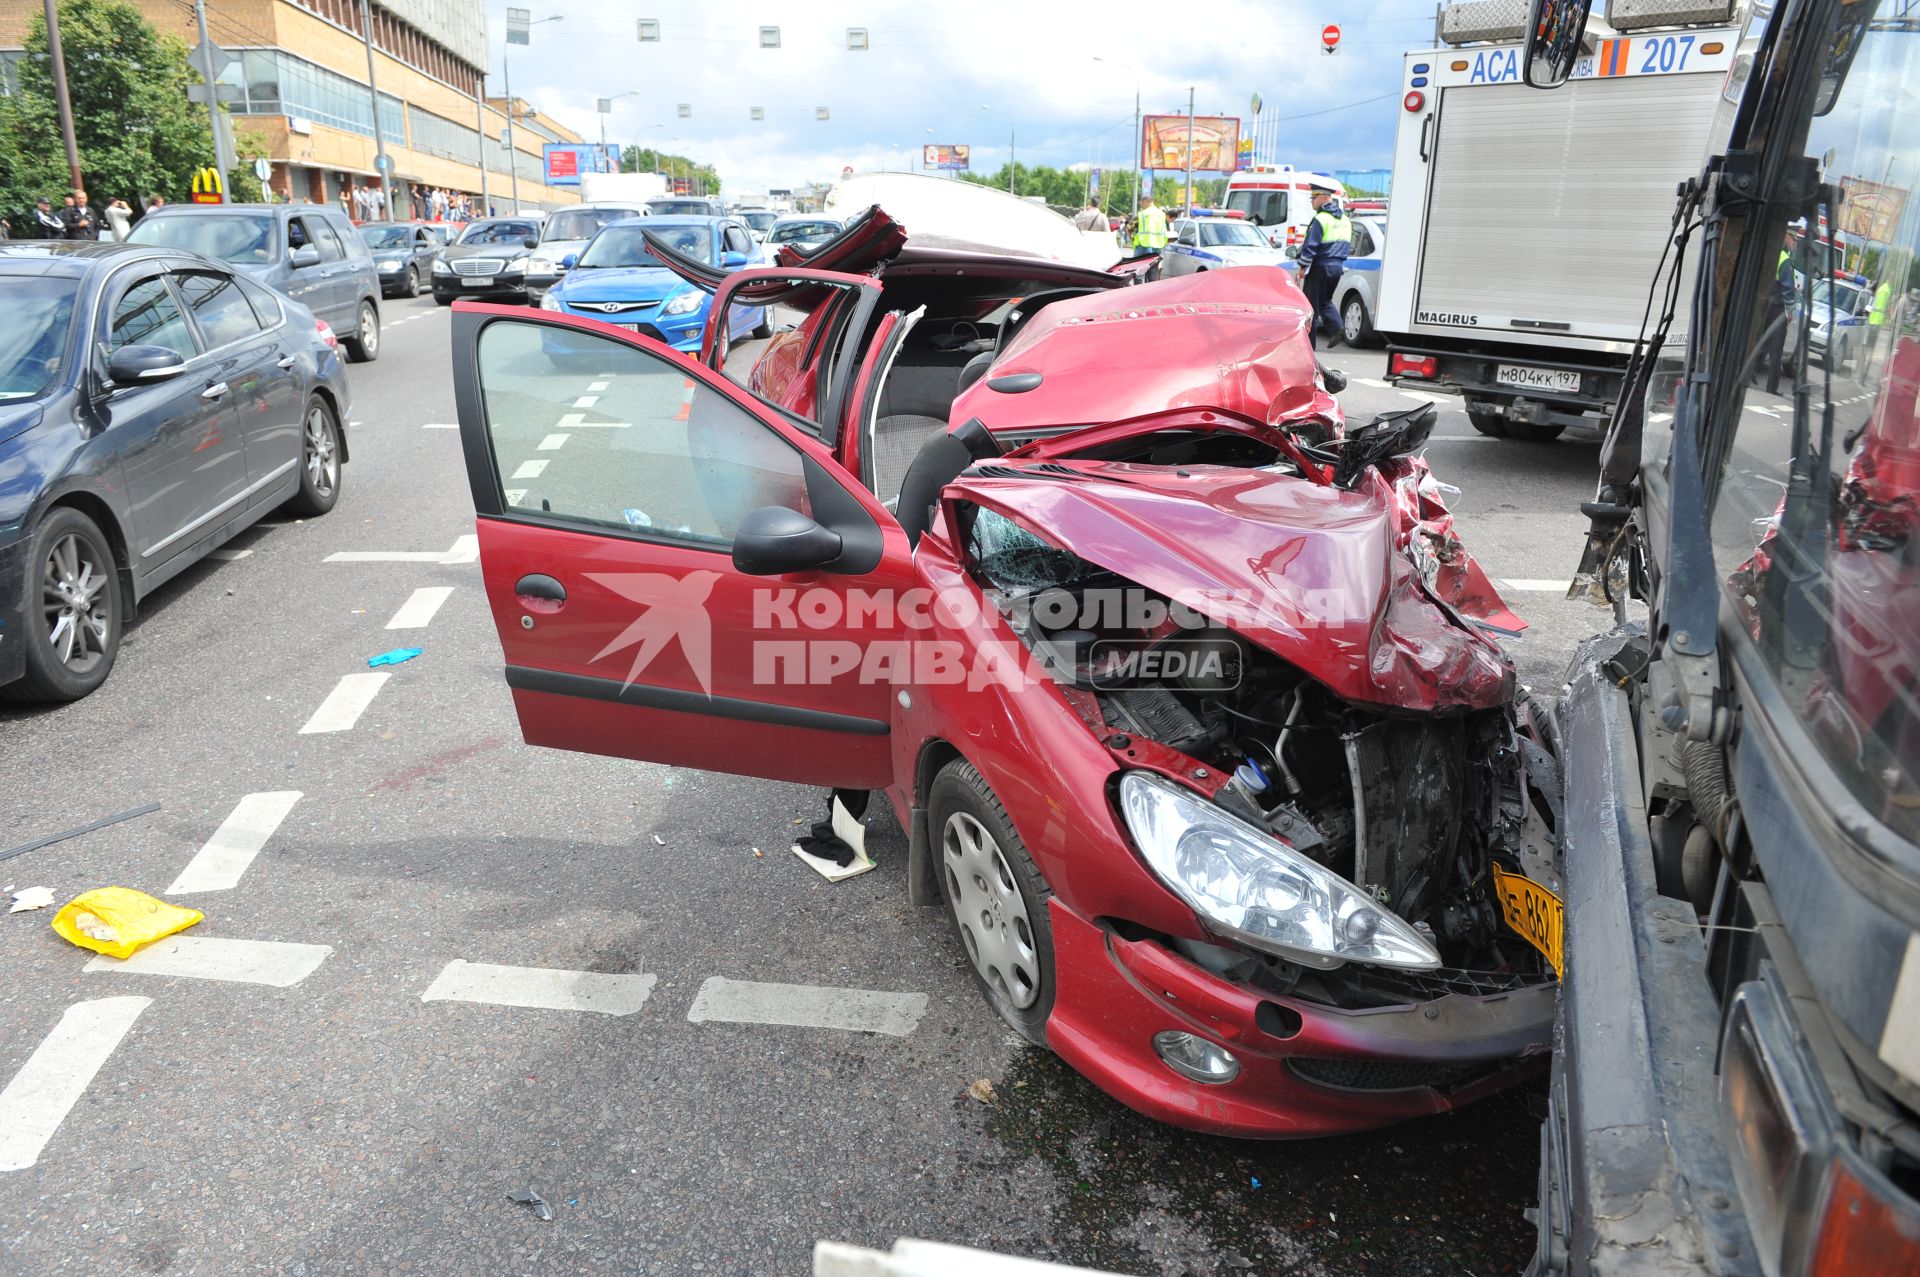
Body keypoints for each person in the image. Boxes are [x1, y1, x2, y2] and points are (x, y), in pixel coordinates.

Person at [1296, 175, 1352, 348]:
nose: (1312, 201)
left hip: (1320, 267)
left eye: (1314, 197)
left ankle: (1308, 347)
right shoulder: (1345, 220)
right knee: (1325, 301)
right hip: (1337, 268)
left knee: (1310, 308)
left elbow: (1310, 246)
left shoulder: (1321, 219)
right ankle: (1337, 327)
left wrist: (1302, 266)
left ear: (1324, 197)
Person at [1758, 222, 1803, 395]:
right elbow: (1787, 288)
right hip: (1777, 309)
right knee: (1776, 350)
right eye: (1794, 239)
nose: (1795, 244)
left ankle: (1747, 374)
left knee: (1762, 344)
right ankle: (1772, 387)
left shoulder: (1772, 254)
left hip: (1765, 305)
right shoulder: (1784, 260)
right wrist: (1790, 311)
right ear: (1786, 236)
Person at [1130, 193, 1168, 260]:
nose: (1141, 206)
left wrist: (1132, 239)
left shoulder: (1142, 214)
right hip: (1158, 245)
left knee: (1137, 266)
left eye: (1141, 204)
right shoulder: (1162, 214)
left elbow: (1130, 227)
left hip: (1143, 245)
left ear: (1145, 202)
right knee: (1153, 266)